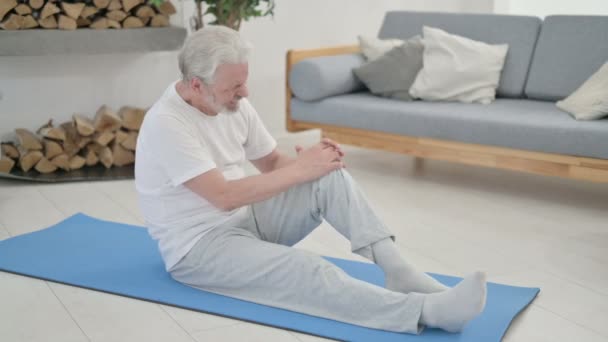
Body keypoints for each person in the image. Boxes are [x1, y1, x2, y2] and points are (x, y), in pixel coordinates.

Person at [135, 25, 486, 334]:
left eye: (245, 81)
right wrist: (301, 170)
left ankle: (398, 270)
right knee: (308, 269)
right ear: (197, 85)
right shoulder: (167, 123)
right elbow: (223, 196)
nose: (245, 94)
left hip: (247, 220)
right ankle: (426, 312)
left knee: (328, 177)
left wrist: (313, 165)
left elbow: (272, 161)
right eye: (235, 87)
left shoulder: (232, 102)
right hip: (200, 249)